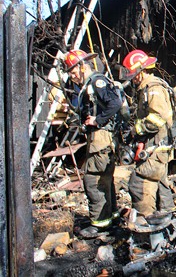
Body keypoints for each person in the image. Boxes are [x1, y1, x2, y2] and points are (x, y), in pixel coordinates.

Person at [63, 49, 122, 238]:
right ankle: (111, 218)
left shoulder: (97, 82)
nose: (73, 77)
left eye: (73, 72)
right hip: (100, 139)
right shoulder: (90, 84)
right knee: (105, 179)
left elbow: (115, 103)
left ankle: (99, 224)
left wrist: (98, 120)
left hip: (101, 139)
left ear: (82, 67)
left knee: (93, 181)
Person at [122, 49, 175, 225]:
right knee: (161, 185)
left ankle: (145, 223)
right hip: (157, 146)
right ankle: (167, 222)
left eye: (133, 73)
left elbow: (157, 118)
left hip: (157, 147)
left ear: (141, 70)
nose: (132, 78)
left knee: (138, 183)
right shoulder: (145, 88)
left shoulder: (153, 88)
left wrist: (136, 130)